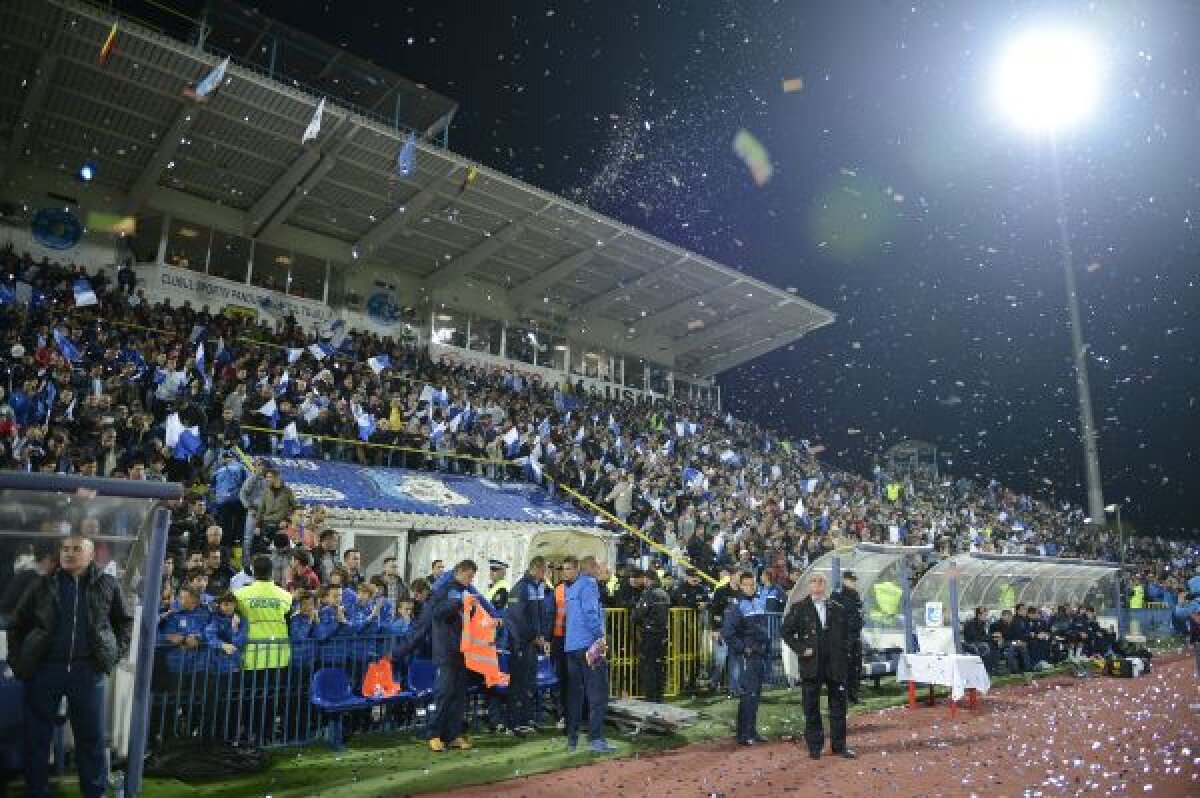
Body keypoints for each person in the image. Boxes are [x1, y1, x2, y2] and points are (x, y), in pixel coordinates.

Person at [10, 535, 134, 798]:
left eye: (77, 549)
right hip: (45, 670)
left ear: (91, 556)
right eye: (65, 549)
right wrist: (19, 663)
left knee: (91, 739)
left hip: (87, 672)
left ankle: (94, 792)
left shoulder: (108, 584)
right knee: (37, 739)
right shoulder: (41, 585)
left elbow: (124, 621)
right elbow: (17, 625)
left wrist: (113, 655)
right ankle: (36, 792)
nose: (69, 554)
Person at [782, 573, 855, 760]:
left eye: (821, 582)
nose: (817, 585)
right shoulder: (799, 608)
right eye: (814, 582)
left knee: (838, 706)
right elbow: (785, 631)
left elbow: (848, 634)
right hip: (811, 665)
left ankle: (839, 746)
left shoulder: (837, 608)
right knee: (811, 706)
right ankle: (815, 746)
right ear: (808, 586)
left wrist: (843, 653)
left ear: (826, 586)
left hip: (834, 665)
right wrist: (800, 649)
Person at [427, 559, 483, 752]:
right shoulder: (444, 588)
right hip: (446, 650)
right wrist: (459, 602)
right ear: (460, 572)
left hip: (462, 650)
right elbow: (436, 612)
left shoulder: (465, 591)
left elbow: (467, 616)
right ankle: (434, 735)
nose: (471, 580)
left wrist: (473, 610)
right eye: (469, 576)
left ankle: (453, 735)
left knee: (459, 695)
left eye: (472, 577)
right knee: (443, 693)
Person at [565, 555, 617, 753]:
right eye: (600, 566)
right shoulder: (589, 584)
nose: (601, 569)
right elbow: (590, 613)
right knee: (598, 694)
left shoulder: (572, 587)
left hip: (572, 647)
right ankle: (596, 739)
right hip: (589, 646)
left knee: (575, 695)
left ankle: (572, 740)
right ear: (592, 567)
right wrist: (600, 637)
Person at [721, 569, 770, 746]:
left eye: (752, 584)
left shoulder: (758, 602)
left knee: (755, 694)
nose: (750, 587)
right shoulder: (736, 606)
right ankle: (744, 733)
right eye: (747, 585)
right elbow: (728, 633)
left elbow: (762, 629)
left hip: (759, 654)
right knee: (748, 694)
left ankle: (751, 731)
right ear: (741, 586)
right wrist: (744, 649)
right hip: (746, 656)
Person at [505, 556, 549, 735]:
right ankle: (512, 723)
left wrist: (542, 637)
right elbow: (517, 619)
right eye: (544, 569)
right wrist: (533, 637)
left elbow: (541, 615)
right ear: (535, 569)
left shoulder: (538, 586)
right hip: (520, 644)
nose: (545, 573)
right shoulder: (520, 588)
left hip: (532, 643)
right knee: (517, 683)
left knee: (529, 683)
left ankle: (526, 720)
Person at [235, 554, 293, 671]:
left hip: (251, 656)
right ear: (272, 572)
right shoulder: (286, 596)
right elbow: (290, 624)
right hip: (279, 656)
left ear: (253, 571)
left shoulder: (239, 595)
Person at [632, 570, 670, 702]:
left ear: (647, 579)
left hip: (649, 635)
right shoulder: (665, 594)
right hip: (662, 634)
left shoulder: (649, 594)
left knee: (648, 666)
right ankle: (659, 696)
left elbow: (638, 614)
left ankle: (650, 697)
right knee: (659, 665)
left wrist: (635, 616)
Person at [832, 571, 864, 703]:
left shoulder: (856, 596)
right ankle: (843, 696)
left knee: (856, 667)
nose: (854, 582)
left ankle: (853, 695)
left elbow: (859, 614)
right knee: (844, 667)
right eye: (851, 580)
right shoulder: (838, 595)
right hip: (844, 636)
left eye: (854, 580)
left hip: (855, 636)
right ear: (845, 580)